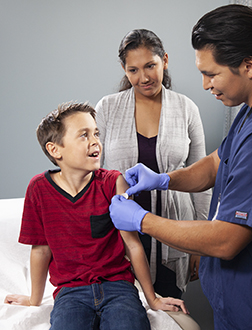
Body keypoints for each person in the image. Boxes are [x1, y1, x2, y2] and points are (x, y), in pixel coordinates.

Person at [109, 4, 252, 330]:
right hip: (239, 303)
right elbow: (215, 163)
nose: (204, 84)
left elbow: (227, 239)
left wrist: (143, 221)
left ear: (248, 65)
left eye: (211, 74)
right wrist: (164, 179)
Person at [4, 102, 187, 330]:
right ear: (55, 150)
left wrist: (152, 299)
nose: (95, 141)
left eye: (96, 133)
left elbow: (133, 245)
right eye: (83, 135)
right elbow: (41, 249)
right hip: (70, 292)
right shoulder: (38, 189)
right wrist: (34, 299)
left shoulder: (112, 182)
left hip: (118, 287)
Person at [95, 29, 211, 298]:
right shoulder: (107, 109)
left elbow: (203, 181)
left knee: (168, 313)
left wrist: (198, 245)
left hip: (175, 234)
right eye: (133, 70)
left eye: (151, 66)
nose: (144, 78)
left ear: (165, 61)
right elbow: (93, 175)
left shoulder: (186, 109)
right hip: (120, 237)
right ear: (124, 70)